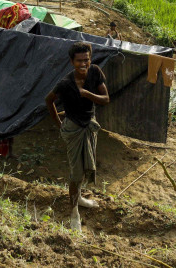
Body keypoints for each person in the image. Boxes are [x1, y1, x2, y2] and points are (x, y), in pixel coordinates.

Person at [45, 41, 110, 232]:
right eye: (79, 61)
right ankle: (74, 213)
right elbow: (48, 101)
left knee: (86, 165)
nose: (83, 64)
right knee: (76, 173)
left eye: (86, 59)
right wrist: (59, 125)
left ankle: (79, 197)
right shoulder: (65, 84)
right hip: (73, 129)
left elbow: (106, 99)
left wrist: (87, 94)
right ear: (71, 62)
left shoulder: (95, 72)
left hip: (89, 125)